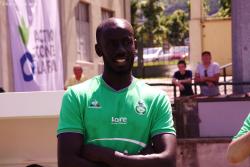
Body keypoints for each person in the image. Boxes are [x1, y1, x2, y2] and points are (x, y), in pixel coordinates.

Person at [57, 18, 176, 167]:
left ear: (135, 45)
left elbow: (168, 161)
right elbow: (67, 162)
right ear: (98, 50)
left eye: (126, 42)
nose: (120, 50)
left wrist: (107, 156)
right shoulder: (76, 97)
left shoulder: (157, 99)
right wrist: (140, 160)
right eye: (112, 44)